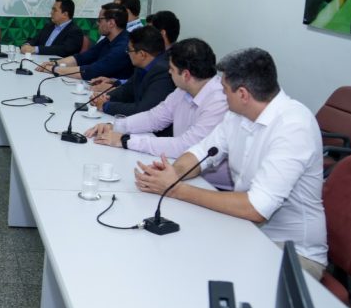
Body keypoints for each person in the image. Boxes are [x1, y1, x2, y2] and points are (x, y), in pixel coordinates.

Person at [134, 48, 326, 278]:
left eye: (224, 89)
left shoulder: (294, 127)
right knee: (175, 257)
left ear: (243, 94)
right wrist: (173, 173)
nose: (221, 94)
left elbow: (256, 208)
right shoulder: (237, 115)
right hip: (244, 230)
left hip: (291, 252)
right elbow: (201, 152)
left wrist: (176, 189)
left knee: (198, 272)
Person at [84, 38, 231, 190]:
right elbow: (154, 118)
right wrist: (115, 126)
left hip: (212, 187)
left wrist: (126, 140)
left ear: (186, 75)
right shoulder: (183, 90)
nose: (169, 72)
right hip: (180, 170)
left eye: (171, 69)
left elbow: (186, 146)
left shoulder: (220, 100)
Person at [91, 25, 174, 116]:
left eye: (129, 50)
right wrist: (105, 97)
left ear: (142, 54)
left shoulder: (163, 72)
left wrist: (106, 106)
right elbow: (127, 90)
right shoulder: (142, 66)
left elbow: (143, 110)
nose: (127, 53)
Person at [38, 4, 132, 81]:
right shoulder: (108, 40)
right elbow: (83, 58)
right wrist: (54, 63)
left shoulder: (124, 46)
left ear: (111, 23)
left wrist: (54, 69)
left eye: (99, 20)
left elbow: (92, 71)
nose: (97, 23)